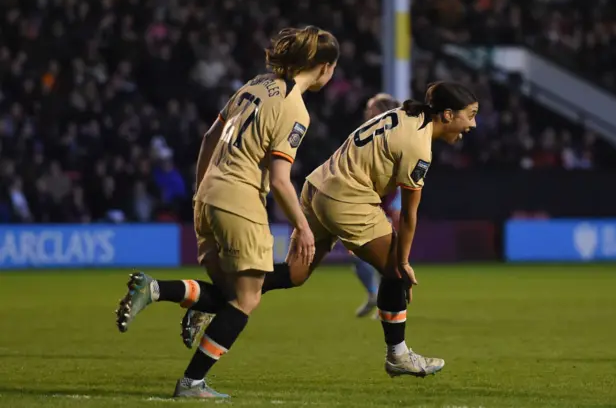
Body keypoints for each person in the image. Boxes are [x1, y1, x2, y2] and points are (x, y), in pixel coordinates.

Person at [180, 81, 478, 379]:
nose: (473, 124)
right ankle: (398, 355)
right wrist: (402, 262)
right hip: (347, 199)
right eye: (471, 115)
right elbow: (410, 215)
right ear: (448, 115)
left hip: (318, 187)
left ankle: (217, 296)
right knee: (396, 274)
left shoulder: (406, 115)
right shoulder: (419, 146)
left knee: (295, 274)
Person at [114, 26, 339, 399]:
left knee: (229, 293)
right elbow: (282, 181)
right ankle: (192, 383)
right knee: (246, 300)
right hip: (240, 198)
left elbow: (208, 139)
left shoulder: (254, 85)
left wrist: (202, 190)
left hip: (208, 196)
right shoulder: (296, 110)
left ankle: (154, 289)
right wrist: (304, 227)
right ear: (325, 68)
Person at [353, 94, 401, 318]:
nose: (367, 112)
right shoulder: (365, 136)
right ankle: (375, 296)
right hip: (366, 201)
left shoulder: (394, 137)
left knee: (384, 257)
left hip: (389, 203)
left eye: (371, 108)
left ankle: (387, 304)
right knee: (358, 256)